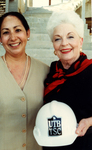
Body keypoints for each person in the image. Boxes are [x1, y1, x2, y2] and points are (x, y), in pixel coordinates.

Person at [0, 11, 49, 150]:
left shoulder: (45, 71)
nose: (13, 37)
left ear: (28, 33)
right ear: (0, 38)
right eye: (6, 32)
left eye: (18, 30)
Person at [43, 9, 92, 150]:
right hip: (53, 144)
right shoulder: (53, 70)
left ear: (80, 41)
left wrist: (89, 121)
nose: (64, 43)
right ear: (54, 45)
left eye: (70, 37)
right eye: (58, 38)